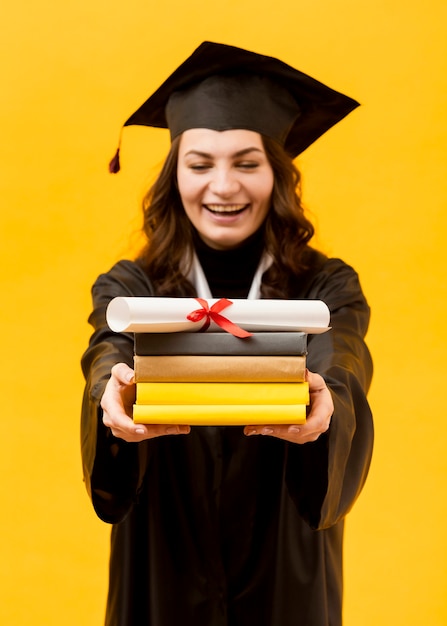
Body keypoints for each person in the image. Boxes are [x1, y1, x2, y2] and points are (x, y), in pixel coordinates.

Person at [81, 41, 373, 626]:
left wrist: (329, 403)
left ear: (277, 172)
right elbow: (107, 348)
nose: (223, 187)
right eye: (199, 163)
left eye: (246, 162)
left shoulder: (325, 285)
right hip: (165, 544)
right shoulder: (133, 286)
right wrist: (106, 394)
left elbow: (341, 355)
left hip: (282, 549)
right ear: (174, 174)